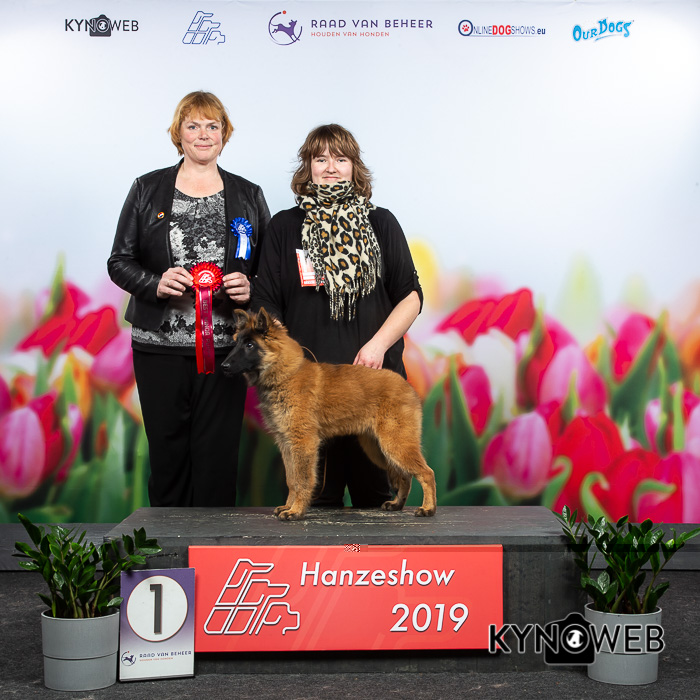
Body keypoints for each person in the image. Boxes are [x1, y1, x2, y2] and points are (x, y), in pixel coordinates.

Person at [108, 91, 270, 507]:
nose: (203, 134)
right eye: (193, 125)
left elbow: (270, 271)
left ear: (224, 135)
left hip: (227, 350)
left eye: (212, 126)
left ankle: (215, 546)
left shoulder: (248, 194)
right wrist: (154, 283)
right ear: (177, 133)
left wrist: (251, 287)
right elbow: (119, 261)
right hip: (157, 348)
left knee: (218, 459)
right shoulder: (146, 188)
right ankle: (166, 546)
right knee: (168, 458)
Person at [252, 123, 422, 508]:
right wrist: (289, 360)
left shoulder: (382, 222)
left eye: (340, 159)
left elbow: (411, 297)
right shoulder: (284, 226)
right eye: (321, 159)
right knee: (314, 507)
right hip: (308, 392)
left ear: (354, 167)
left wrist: (378, 347)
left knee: (376, 503)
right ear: (307, 167)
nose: (330, 167)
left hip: (372, 384)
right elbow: (265, 302)